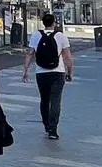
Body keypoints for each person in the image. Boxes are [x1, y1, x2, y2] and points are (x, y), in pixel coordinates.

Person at [22, 9, 73, 140]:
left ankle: (46, 124)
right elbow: (68, 57)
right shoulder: (61, 36)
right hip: (58, 72)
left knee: (44, 100)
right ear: (54, 23)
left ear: (43, 23)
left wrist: (25, 71)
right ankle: (53, 129)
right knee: (55, 100)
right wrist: (69, 72)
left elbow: (29, 53)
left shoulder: (36, 35)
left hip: (41, 73)